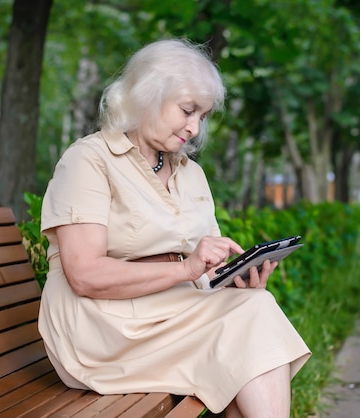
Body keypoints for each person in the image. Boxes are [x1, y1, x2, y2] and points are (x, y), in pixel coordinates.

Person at [38, 38, 311, 417]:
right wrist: (185, 269)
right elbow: (84, 275)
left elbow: (201, 270)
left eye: (202, 116)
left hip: (172, 311)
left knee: (251, 308)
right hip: (103, 330)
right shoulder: (89, 159)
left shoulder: (191, 174)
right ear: (148, 94)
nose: (195, 127)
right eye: (187, 110)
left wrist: (231, 279)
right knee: (250, 325)